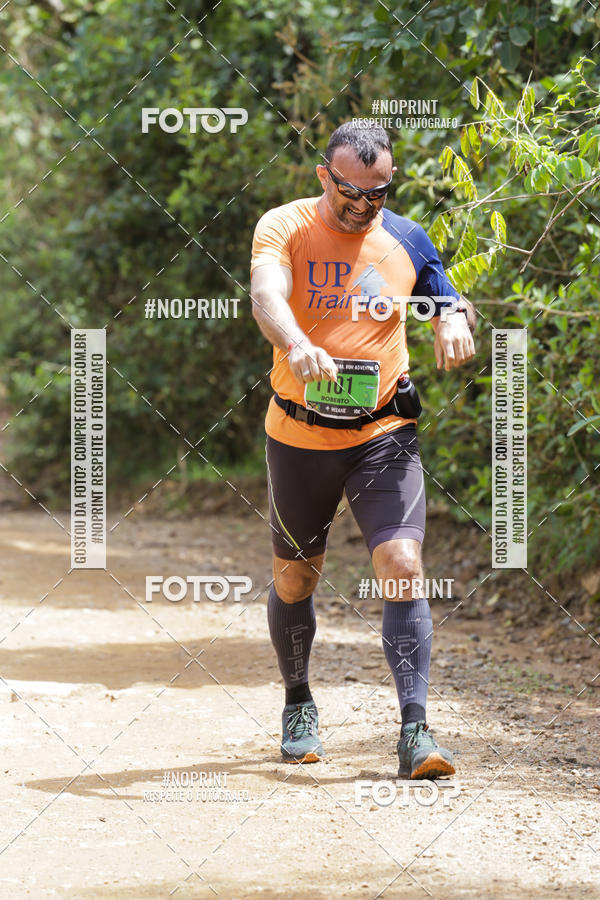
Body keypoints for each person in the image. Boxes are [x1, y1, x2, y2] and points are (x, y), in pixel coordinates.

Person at [250, 120, 476, 780]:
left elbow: (446, 297)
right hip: (299, 435)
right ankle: (298, 701)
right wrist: (296, 341)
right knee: (296, 577)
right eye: (350, 190)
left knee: (403, 562)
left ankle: (415, 730)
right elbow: (266, 296)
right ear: (325, 175)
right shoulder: (284, 226)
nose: (362, 205)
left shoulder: (404, 236)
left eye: (376, 194)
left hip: (383, 434)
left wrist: (455, 322)